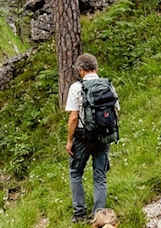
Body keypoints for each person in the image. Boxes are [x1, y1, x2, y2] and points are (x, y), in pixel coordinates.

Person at [65, 53, 119, 221]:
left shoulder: (76, 87)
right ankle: (99, 215)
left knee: (75, 173)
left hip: (83, 137)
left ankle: (79, 214)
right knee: (100, 175)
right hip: (103, 135)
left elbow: (73, 118)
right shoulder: (108, 85)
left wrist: (69, 141)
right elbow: (116, 111)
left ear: (81, 70)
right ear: (96, 68)